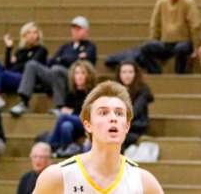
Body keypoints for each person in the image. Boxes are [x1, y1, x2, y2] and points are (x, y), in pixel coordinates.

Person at [32, 81, 164, 194]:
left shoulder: (144, 183)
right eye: (103, 112)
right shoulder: (57, 176)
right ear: (88, 125)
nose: (113, 118)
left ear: (127, 126)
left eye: (119, 113)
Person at [11, 16, 97, 117]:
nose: (75, 31)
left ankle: (60, 107)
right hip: (56, 74)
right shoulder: (66, 46)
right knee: (32, 65)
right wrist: (70, 58)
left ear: (86, 31)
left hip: (73, 78)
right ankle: (24, 102)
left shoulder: (90, 47)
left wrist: (62, 59)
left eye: (79, 29)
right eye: (74, 29)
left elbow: (83, 64)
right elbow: (52, 61)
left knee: (57, 69)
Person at [139, 0, 201, 74]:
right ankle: (155, 73)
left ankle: (180, 76)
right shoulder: (161, 2)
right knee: (146, 48)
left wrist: (196, 48)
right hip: (165, 43)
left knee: (181, 49)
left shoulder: (188, 2)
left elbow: (195, 26)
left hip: (184, 42)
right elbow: (155, 25)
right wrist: (153, 40)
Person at [0, 22, 48, 108]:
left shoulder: (41, 50)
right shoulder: (20, 51)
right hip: (13, 75)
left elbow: (28, 65)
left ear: (38, 35)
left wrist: (17, 64)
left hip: (25, 79)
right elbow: (8, 67)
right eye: (29, 33)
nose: (32, 35)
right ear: (24, 36)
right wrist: (9, 49)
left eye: (35, 32)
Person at [48, 60, 97, 158]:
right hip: (75, 125)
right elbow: (68, 110)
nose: (79, 76)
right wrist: (72, 113)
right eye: (76, 73)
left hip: (89, 124)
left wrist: (72, 112)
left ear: (89, 75)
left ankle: (51, 146)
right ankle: (66, 148)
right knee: (66, 126)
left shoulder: (93, 93)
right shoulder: (71, 93)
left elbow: (89, 114)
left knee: (63, 117)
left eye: (83, 73)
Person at [115, 62, 154, 150]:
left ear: (135, 74)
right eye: (124, 72)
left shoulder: (143, 90)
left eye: (130, 72)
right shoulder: (115, 90)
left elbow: (135, 112)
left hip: (136, 127)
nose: (127, 75)